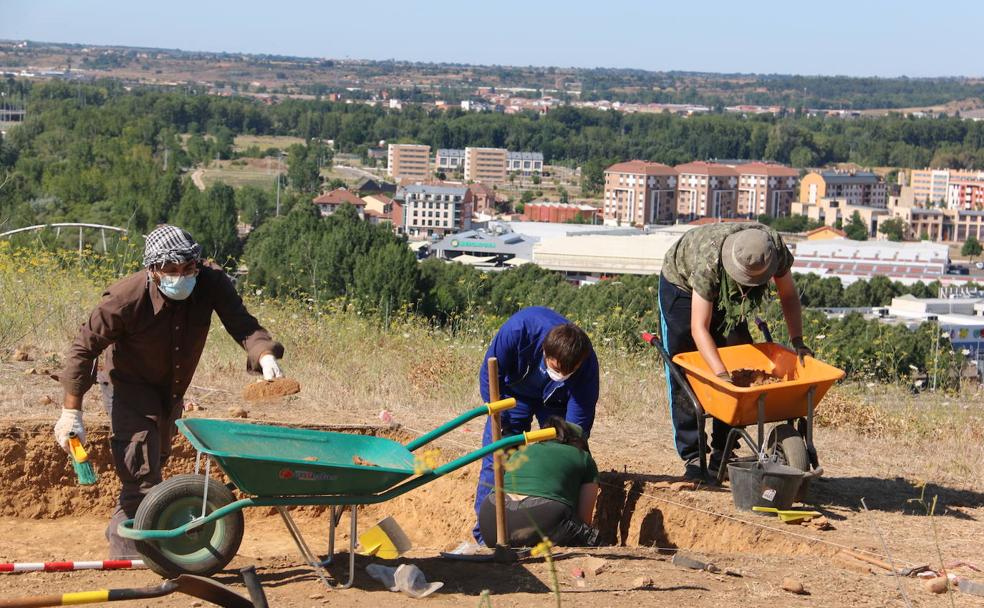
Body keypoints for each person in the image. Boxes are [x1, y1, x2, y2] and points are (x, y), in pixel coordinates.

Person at [53, 225, 285, 559]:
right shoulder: (124, 299)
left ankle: (128, 532)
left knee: (154, 462)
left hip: (172, 386)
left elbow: (243, 324)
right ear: (153, 270)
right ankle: (132, 556)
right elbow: (82, 350)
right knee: (141, 471)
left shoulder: (211, 282)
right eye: (171, 271)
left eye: (188, 269)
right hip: (127, 383)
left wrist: (264, 354)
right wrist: (71, 412)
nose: (182, 277)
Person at [658, 222, 812, 479]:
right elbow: (699, 328)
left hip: (728, 292)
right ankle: (694, 455)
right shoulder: (707, 262)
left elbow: (788, 295)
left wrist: (797, 341)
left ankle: (724, 449)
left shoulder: (774, 248)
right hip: (682, 289)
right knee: (685, 370)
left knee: (740, 359)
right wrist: (721, 376)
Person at [472, 306, 599, 545]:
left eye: (569, 371)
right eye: (557, 368)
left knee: (565, 452)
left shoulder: (586, 363)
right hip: (512, 394)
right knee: (497, 456)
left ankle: (559, 526)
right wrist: (499, 415)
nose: (562, 373)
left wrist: (571, 446)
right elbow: (490, 376)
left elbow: (578, 419)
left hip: (556, 400)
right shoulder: (519, 330)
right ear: (544, 351)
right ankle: (485, 537)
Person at [478, 416, 600, 547]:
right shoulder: (583, 457)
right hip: (541, 518)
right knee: (591, 539)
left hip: (491, 522)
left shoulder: (520, 452)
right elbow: (584, 518)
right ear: (578, 441)